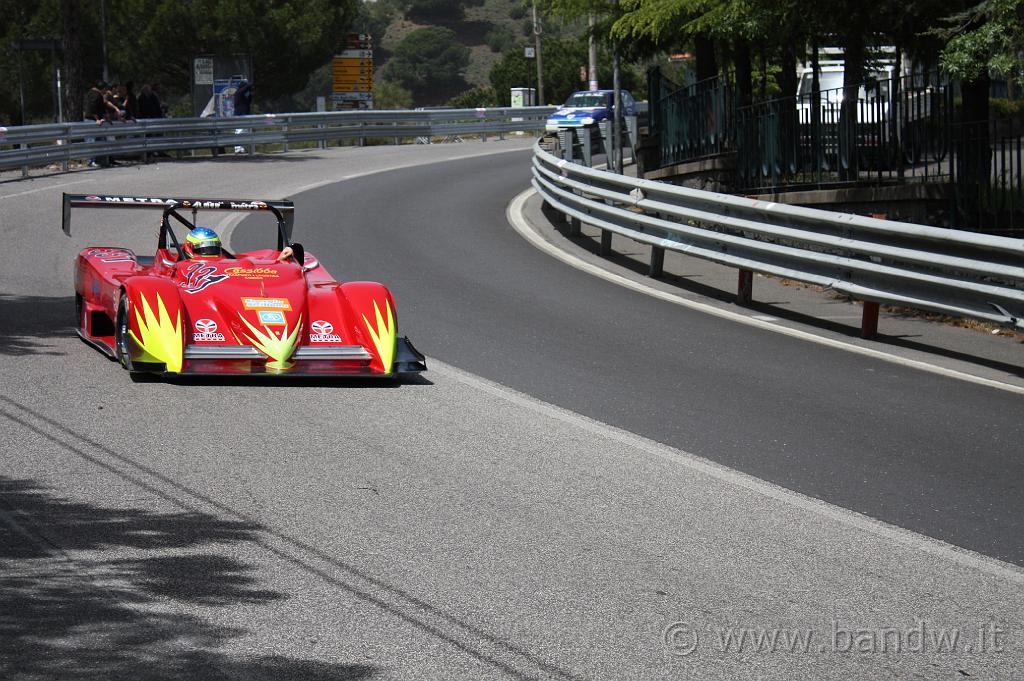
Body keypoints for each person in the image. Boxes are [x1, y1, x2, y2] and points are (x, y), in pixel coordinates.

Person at [83, 81, 107, 167]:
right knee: (92, 141)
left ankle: (97, 160)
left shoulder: (90, 93)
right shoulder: (97, 95)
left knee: (96, 141)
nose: (105, 91)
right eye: (105, 89)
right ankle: (91, 161)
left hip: (89, 119)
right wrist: (97, 119)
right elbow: (93, 108)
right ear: (103, 88)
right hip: (92, 120)